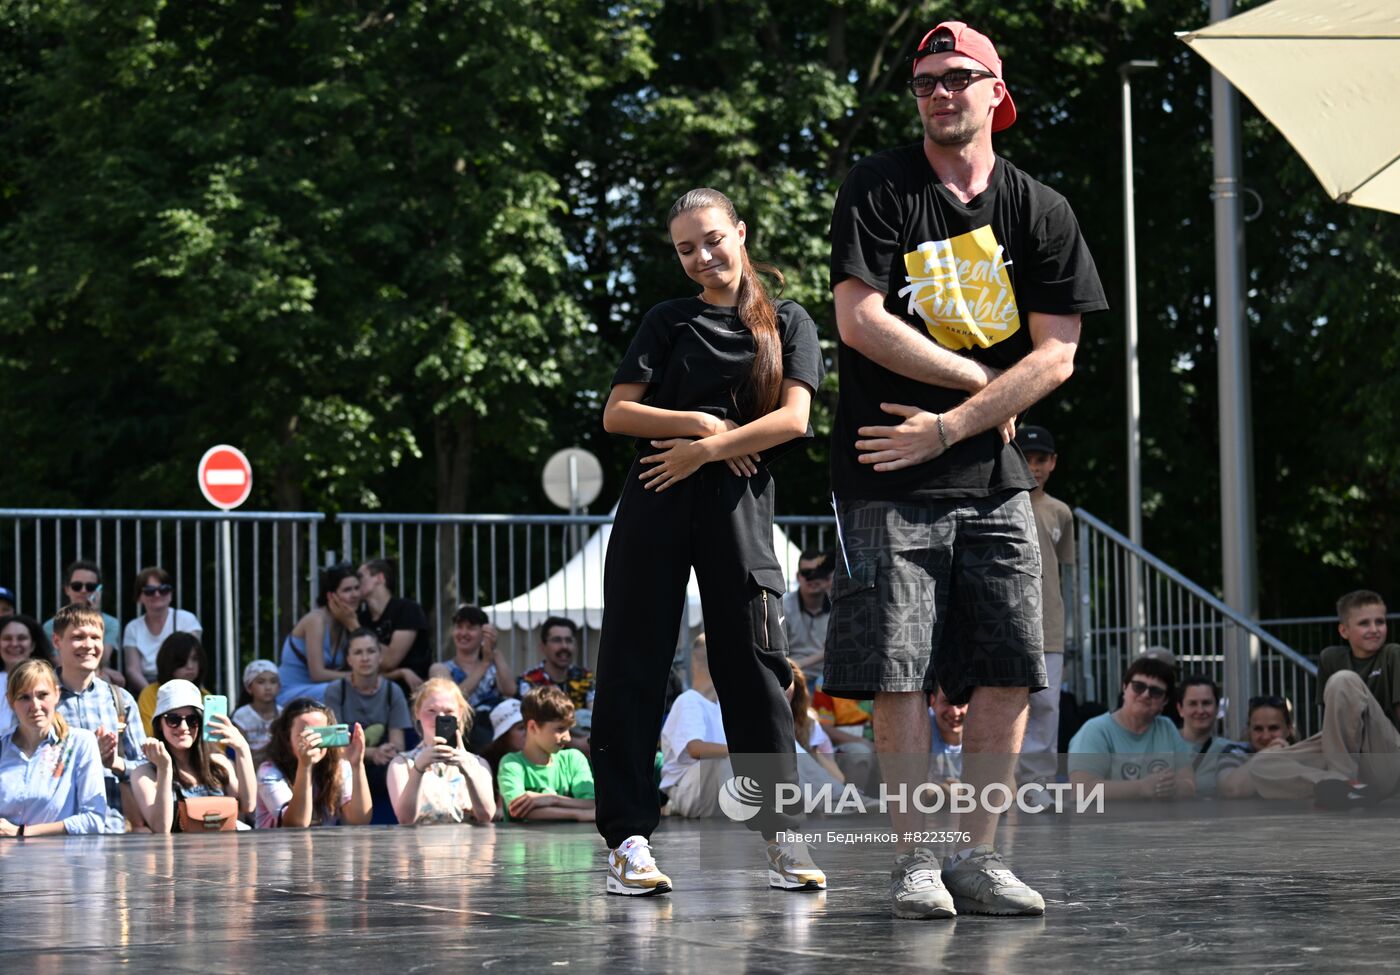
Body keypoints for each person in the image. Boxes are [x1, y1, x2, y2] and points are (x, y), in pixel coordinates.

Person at [824, 18, 1107, 918]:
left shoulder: (1041, 209)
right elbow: (859, 320)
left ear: (996, 92)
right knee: (897, 669)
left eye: (957, 77)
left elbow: (1057, 355)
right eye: (925, 82)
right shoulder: (879, 186)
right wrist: (981, 382)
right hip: (883, 471)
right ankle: (915, 862)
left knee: (1011, 664)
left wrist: (950, 426)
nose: (940, 93)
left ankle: (978, 859)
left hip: (987, 474)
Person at [592, 186, 827, 897]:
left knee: (755, 670)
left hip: (739, 511)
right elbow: (617, 414)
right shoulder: (666, 319)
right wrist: (701, 428)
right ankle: (628, 840)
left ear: (741, 232)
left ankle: (782, 836)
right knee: (633, 665)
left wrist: (710, 449)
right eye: (686, 248)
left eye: (712, 239)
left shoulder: (788, 321)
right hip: (657, 497)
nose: (701, 256)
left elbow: (794, 421)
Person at [1231, 591, 1400, 807]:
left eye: (1380, 622)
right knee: (1262, 764)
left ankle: (1341, 779)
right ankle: (1340, 788)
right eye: (1364, 623)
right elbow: (1334, 726)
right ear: (1344, 630)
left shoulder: (1393, 654)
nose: (1374, 629)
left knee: (1344, 680)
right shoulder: (1331, 658)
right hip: (1353, 761)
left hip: (1387, 757)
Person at [1013, 426, 1075, 789]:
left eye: (1041, 459)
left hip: (1048, 623)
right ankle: (999, 783)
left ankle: (1037, 784)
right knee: (1002, 704)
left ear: (1052, 463)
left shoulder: (1061, 512)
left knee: (1046, 707)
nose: (1033, 467)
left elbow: (1062, 567)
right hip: (1005, 620)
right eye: (1026, 458)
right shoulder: (998, 502)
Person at [51, 603, 147, 833]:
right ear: (57, 642)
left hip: (113, 829)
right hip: (55, 829)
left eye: (96, 637)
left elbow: (146, 767)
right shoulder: (40, 700)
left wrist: (114, 763)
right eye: (78, 637)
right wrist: (85, 754)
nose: (89, 645)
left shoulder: (120, 700)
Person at [129, 679, 257, 832]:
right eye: (173, 720)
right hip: (178, 854)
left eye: (192, 720)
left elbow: (248, 806)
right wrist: (164, 769)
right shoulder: (144, 773)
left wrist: (242, 749)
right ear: (160, 725)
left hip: (223, 851)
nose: (184, 728)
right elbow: (161, 828)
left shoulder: (218, 763)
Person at [0, 659, 108, 835]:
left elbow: (94, 819)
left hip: (60, 860)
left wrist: (22, 832)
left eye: (42, 695)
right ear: (11, 702)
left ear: (57, 695)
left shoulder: (80, 743)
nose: (35, 706)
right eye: (24, 697)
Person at [1067, 655, 1196, 800]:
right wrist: (1142, 788)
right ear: (1124, 688)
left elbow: (1189, 786)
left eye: (1156, 692)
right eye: (1138, 687)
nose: (1146, 694)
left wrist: (1171, 787)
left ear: (1165, 700)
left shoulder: (1167, 728)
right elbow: (1081, 791)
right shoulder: (1095, 730)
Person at [325, 628, 412, 822]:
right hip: (346, 763)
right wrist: (373, 753)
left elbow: (399, 745)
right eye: (358, 652)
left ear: (380, 656)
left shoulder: (393, 691)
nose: (365, 658)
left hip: (381, 767)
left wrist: (388, 751)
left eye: (371, 651)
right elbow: (334, 744)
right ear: (348, 659)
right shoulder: (336, 691)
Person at [385, 678, 495, 825]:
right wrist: (418, 769)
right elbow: (405, 819)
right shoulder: (401, 765)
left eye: (449, 711)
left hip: (466, 846)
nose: (440, 717)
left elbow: (486, 816)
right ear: (417, 712)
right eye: (431, 711)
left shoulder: (478, 764)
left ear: (460, 714)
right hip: (420, 846)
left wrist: (468, 772)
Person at [255, 698, 371, 828]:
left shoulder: (339, 767)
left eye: (321, 734)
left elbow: (359, 819)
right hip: (278, 846)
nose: (314, 742)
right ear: (287, 738)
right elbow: (296, 825)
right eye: (306, 735)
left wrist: (357, 765)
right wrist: (305, 767)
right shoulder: (269, 772)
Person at [498, 685, 595, 824]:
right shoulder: (511, 763)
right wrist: (578, 814)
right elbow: (518, 809)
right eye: (560, 729)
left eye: (569, 729)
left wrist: (552, 799)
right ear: (533, 727)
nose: (567, 738)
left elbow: (593, 804)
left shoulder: (573, 759)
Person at [430, 604, 516, 750]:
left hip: (493, 735)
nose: (463, 633)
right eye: (459, 627)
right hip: (459, 736)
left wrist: (494, 650)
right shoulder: (441, 668)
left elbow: (511, 690)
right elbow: (453, 698)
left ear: (484, 633)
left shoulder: (493, 665)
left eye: (470, 628)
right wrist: (484, 663)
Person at [277, 562, 361, 706]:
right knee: (345, 689)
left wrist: (353, 625)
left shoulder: (346, 623)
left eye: (357, 588)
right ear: (331, 596)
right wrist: (359, 677)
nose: (354, 595)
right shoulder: (316, 620)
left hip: (320, 692)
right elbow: (317, 674)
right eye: (347, 590)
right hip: (291, 692)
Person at [42, 559, 125, 688]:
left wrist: (94, 612)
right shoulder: (50, 626)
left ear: (98, 590)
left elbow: (102, 659)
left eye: (90, 587)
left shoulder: (111, 623)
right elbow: (60, 664)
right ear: (67, 589)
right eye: (77, 586)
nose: (83, 590)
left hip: (99, 676)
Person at [121, 566, 202, 693]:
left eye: (164, 590)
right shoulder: (133, 627)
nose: (157, 594)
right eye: (149, 591)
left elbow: (192, 660)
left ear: (171, 594)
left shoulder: (187, 620)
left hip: (182, 682)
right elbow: (132, 670)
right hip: (145, 686)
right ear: (139, 596)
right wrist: (151, 693)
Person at [356, 558, 431, 689]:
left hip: (409, 690)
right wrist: (400, 673)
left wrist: (354, 627)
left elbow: (389, 662)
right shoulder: (362, 618)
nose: (356, 582)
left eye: (360, 577)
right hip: (372, 687)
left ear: (379, 578)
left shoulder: (407, 609)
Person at [1175, 675, 1247, 797]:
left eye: (1206, 703)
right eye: (1193, 704)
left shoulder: (1229, 749)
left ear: (1217, 708)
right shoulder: (1162, 743)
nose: (1200, 710)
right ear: (1180, 709)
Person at [1216, 696, 1296, 798]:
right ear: (1249, 730)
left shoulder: (1302, 754)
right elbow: (1230, 790)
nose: (1266, 736)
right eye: (1258, 729)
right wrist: (1266, 756)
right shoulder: (1234, 752)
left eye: (1273, 728)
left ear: (1289, 729)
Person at [135, 633, 211, 736]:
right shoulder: (150, 694)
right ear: (168, 661)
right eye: (182, 660)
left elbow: (219, 744)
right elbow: (151, 735)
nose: (190, 666)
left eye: (195, 659)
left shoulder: (207, 697)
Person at [518, 616, 594, 710]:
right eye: (557, 640)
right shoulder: (529, 680)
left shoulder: (585, 677)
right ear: (543, 647)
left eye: (569, 640)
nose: (564, 646)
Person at [782, 550, 834, 678]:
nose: (813, 578)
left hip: (827, 680)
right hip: (794, 678)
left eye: (818, 573)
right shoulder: (784, 607)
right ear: (798, 577)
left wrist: (798, 664)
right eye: (807, 573)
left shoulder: (837, 607)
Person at [0, 615, 53, 737]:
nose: (14, 644)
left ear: (33, 645)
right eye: (7, 638)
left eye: (21, 638)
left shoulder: (50, 680)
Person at [232, 659, 282, 764]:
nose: (268, 687)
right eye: (261, 682)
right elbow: (240, 753)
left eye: (273, 681)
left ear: (279, 687)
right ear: (249, 688)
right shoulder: (241, 716)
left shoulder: (283, 714)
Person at [929, 684, 969, 784]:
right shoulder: (917, 727)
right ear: (933, 702)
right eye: (946, 702)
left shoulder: (989, 734)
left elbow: (1010, 788)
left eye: (961, 703)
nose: (954, 712)